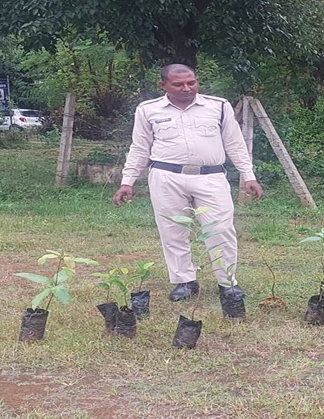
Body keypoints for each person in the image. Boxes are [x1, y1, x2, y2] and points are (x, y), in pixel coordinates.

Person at [113, 64, 264, 301]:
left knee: (221, 229)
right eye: (178, 84)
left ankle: (227, 283)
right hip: (166, 176)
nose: (187, 88)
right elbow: (140, 147)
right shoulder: (148, 110)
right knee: (173, 231)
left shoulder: (218, 106)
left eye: (191, 82)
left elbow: (235, 143)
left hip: (211, 176)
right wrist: (127, 181)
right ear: (163, 85)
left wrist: (249, 176)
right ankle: (184, 281)